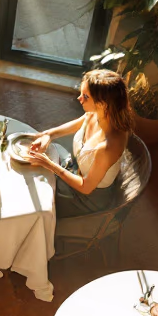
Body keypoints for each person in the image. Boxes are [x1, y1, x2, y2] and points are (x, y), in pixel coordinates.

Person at [25, 69, 129, 217]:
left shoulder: (108, 146)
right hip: (75, 168)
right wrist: (48, 134)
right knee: (36, 167)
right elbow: (78, 124)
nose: (79, 98)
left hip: (86, 199)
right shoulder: (97, 114)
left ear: (103, 104)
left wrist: (48, 164)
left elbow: (86, 187)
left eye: (86, 96)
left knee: (36, 195)